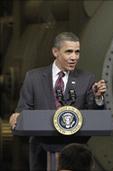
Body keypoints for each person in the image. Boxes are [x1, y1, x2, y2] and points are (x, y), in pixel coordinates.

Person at [8, 32, 106, 170]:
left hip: (76, 154)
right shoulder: (33, 77)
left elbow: (95, 117)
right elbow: (24, 109)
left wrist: (98, 97)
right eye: (69, 52)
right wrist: (19, 116)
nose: (74, 57)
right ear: (55, 52)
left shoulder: (87, 78)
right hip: (42, 152)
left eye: (77, 52)